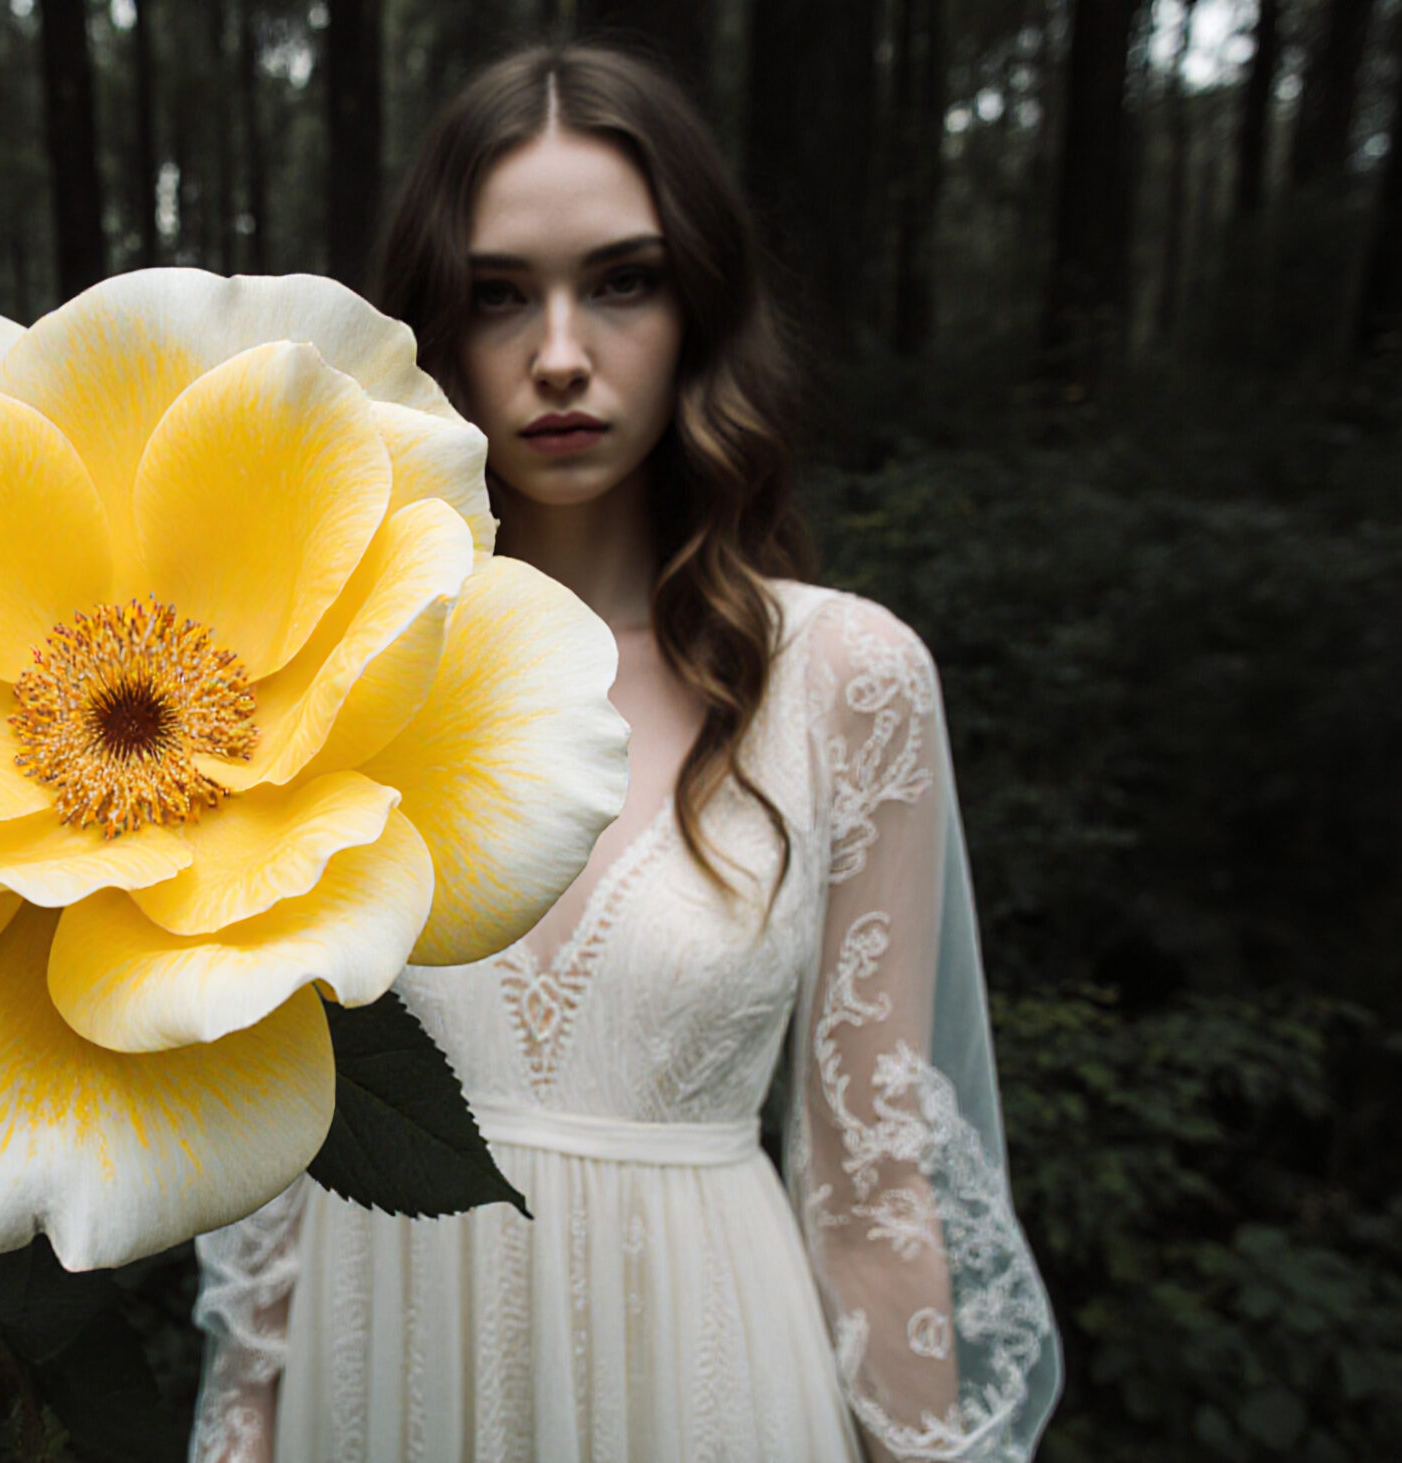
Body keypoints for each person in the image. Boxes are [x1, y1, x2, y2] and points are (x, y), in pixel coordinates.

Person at [189, 42, 1060, 1463]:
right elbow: (271, 1142)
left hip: (711, 1380)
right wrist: (239, 1430)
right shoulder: (314, 664)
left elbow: (871, 1183)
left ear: (698, 302)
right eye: (497, 295)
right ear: (431, 325)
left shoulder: (844, 680)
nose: (560, 354)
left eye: (622, 280)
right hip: (383, 1374)